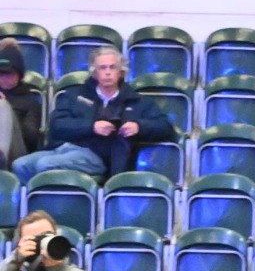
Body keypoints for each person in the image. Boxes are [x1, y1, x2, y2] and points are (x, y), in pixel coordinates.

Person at [21, 48, 175, 181]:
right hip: (62, 147)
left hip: (98, 156)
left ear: (121, 72)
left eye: (112, 67)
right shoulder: (74, 95)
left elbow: (166, 127)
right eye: (102, 68)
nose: (108, 72)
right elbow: (57, 124)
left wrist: (139, 127)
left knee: (45, 164)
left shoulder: (136, 101)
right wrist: (91, 127)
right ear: (94, 73)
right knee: (20, 165)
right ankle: (30, 209)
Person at [0, 38, 43, 165]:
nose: (4, 78)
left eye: (9, 74)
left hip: (16, 150)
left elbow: (31, 138)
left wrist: (8, 110)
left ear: (19, 74)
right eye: (0, 73)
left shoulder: (29, 99)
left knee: (2, 106)